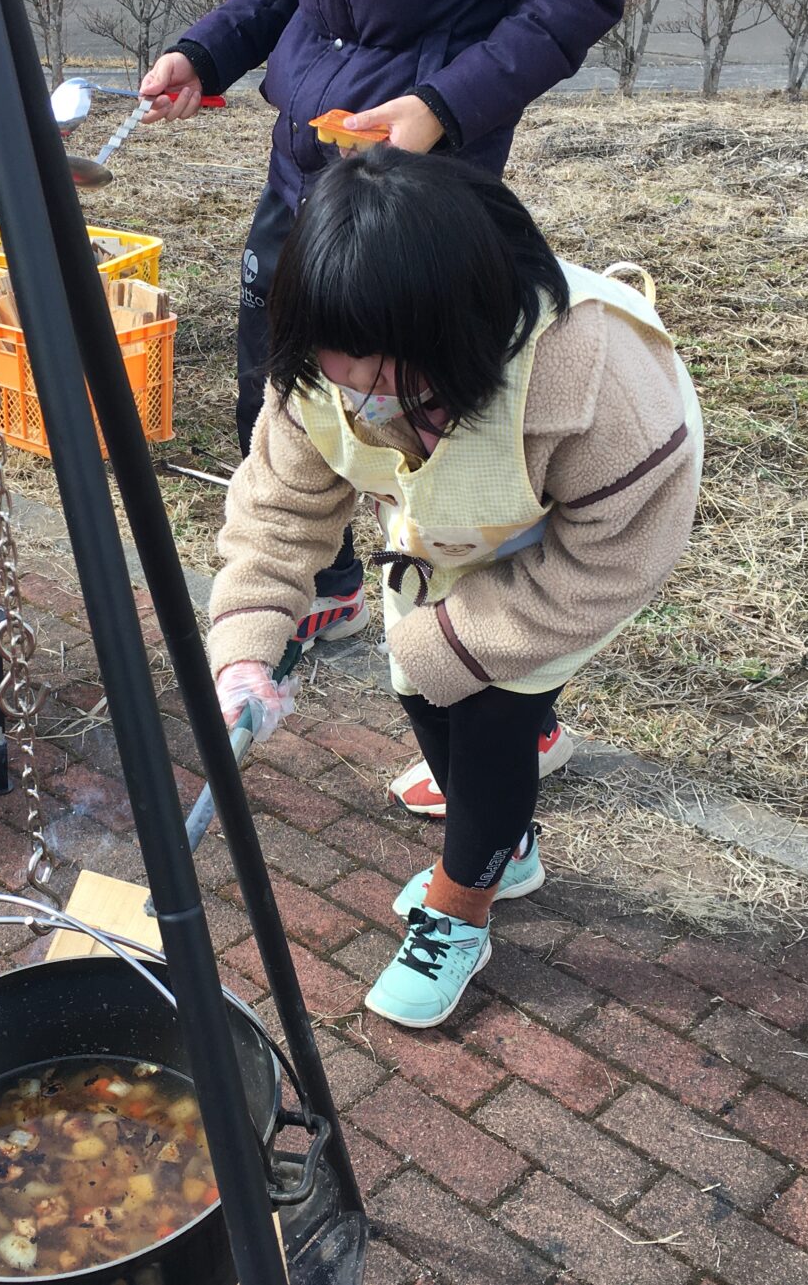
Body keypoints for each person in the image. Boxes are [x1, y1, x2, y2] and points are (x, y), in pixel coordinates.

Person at [207, 147, 701, 1029]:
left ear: (451, 331)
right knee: (421, 680)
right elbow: (280, 510)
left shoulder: (596, 378)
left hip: (572, 546)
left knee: (491, 719)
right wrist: (245, 650)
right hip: (447, 525)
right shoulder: (323, 359)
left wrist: (466, 645)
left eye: (378, 376)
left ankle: (464, 905)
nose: (356, 400)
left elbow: (615, 555)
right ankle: (504, 843)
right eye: (338, 375)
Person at [142, 0, 629, 653]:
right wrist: (207, 51)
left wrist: (442, 105)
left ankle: (483, 657)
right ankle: (330, 584)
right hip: (309, 156)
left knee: (437, 427)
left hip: (426, 180)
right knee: (278, 388)